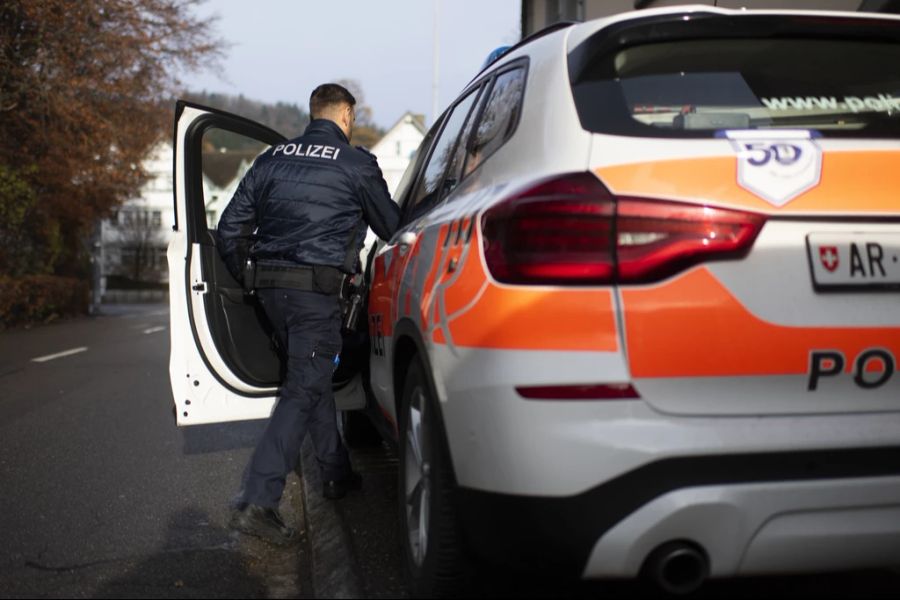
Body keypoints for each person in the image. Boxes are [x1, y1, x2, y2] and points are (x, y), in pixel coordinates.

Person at [217, 83, 401, 546]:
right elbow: (393, 227)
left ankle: (336, 473)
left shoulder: (271, 159)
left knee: (312, 377)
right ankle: (258, 500)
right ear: (346, 115)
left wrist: (250, 279)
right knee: (303, 387)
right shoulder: (357, 164)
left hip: (271, 292)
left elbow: (229, 228)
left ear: (313, 112)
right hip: (316, 296)